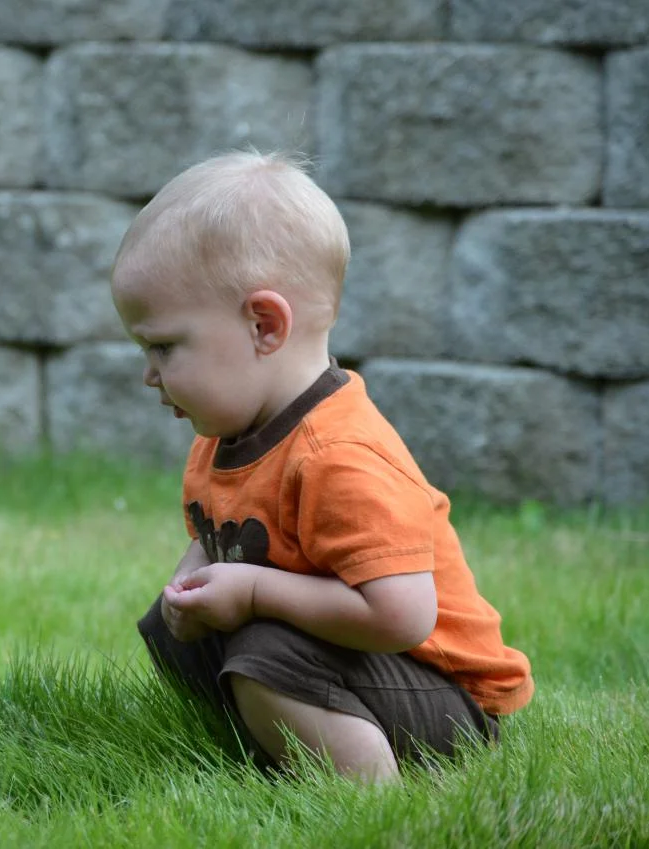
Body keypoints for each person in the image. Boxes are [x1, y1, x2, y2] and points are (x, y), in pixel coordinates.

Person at [111, 150, 533, 784]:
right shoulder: (226, 436)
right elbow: (222, 534)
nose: (149, 374)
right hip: (356, 663)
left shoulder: (339, 455)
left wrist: (253, 593)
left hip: (443, 693)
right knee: (177, 630)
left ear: (264, 325)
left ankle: (366, 792)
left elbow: (402, 616)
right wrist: (192, 578)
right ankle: (275, 747)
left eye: (164, 346)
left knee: (265, 653)